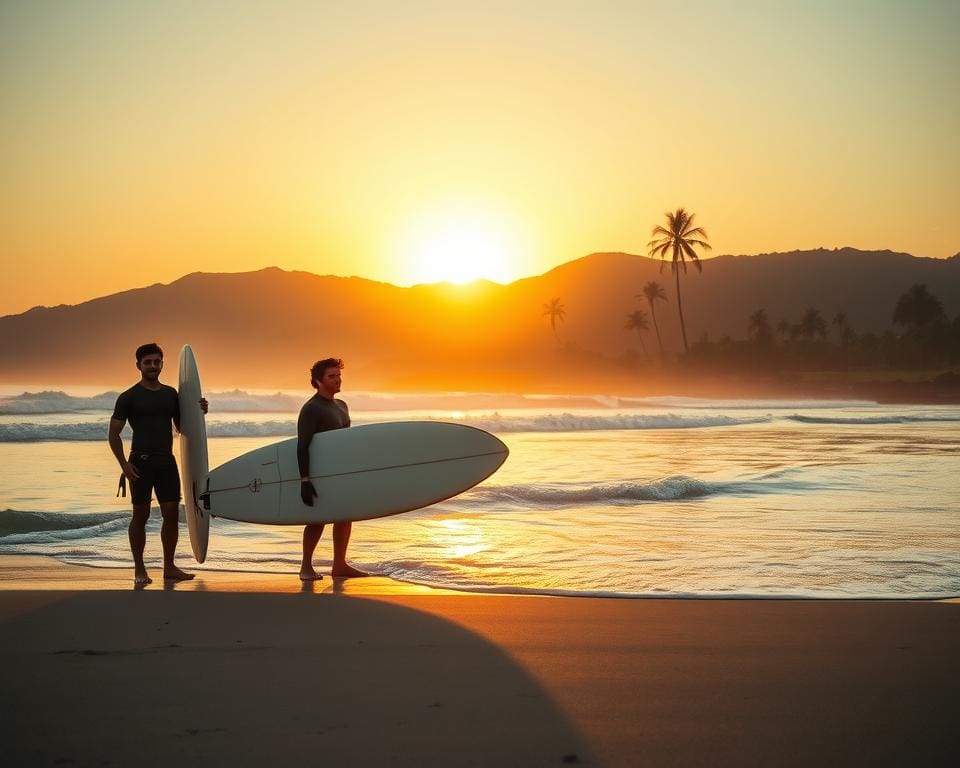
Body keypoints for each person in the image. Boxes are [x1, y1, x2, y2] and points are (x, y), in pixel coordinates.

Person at [108, 342, 207, 586]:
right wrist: (124, 465)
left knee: (171, 515)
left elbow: (183, 428)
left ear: (162, 364)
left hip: (166, 462)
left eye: (156, 362)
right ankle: (139, 569)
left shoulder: (170, 394)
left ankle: (169, 567)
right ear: (138, 365)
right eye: (147, 362)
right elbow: (113, 435)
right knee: (140, 515)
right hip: (140, 463)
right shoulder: (128, 397)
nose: (152, 366)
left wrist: (199, 412)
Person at [297, 357, 368, 581]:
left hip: (340, 473)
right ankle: (305, 567)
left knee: (345, 515)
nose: (337, 379)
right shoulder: (311, 409)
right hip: (320, 473)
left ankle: (340, 565)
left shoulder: (341, 406)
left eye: (339, 375)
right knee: (318, 519)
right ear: (318, 381)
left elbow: (345, 443)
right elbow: (302, 446)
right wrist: (305, 481)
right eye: (332, 376)